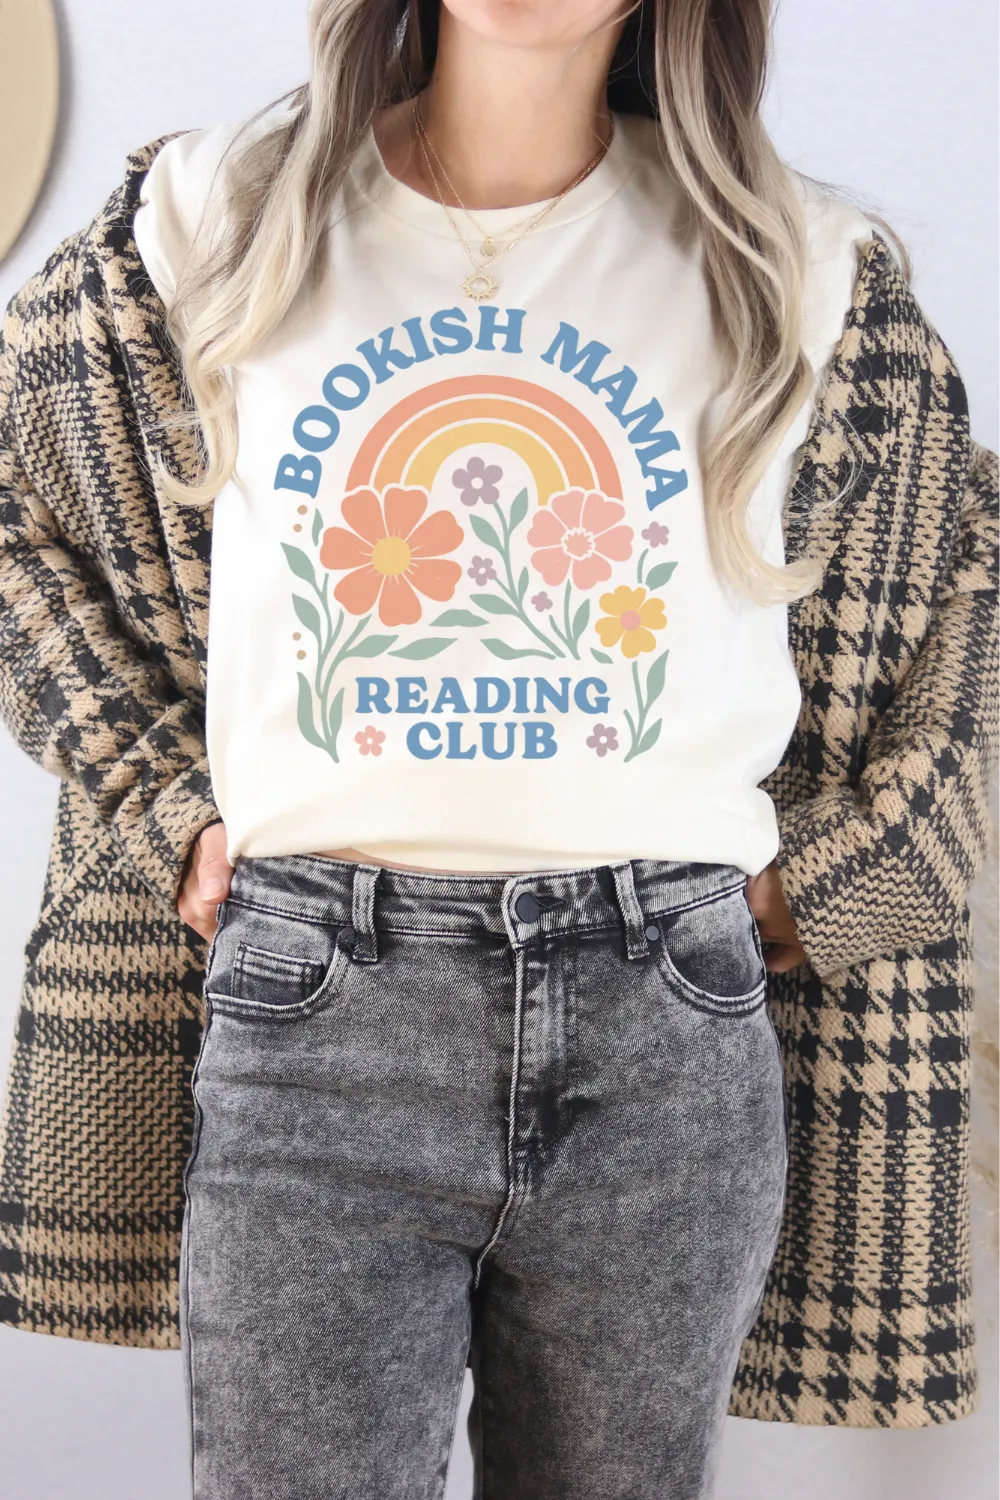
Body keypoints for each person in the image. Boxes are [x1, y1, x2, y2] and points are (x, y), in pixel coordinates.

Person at [1, 2, 998, 1498]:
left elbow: (960, 591)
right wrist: (160, 807)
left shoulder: (802, 266)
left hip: (664, 1023)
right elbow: (18, 509)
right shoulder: (215, 215)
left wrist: (839, 885)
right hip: (317, 1010)